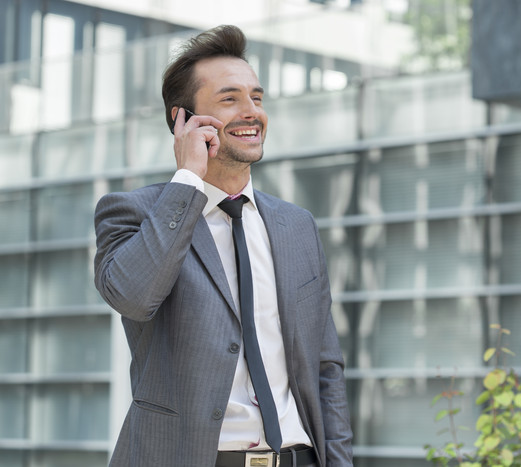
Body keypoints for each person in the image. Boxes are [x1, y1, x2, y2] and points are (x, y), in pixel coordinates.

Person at [93, 25, 353, 467]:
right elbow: (134, 298)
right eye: (230, 99)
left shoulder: (296, 225)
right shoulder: (134, 212)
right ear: (182, 119)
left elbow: (325, 366)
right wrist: (188, 181)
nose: (252, 112)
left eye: (257, 97)